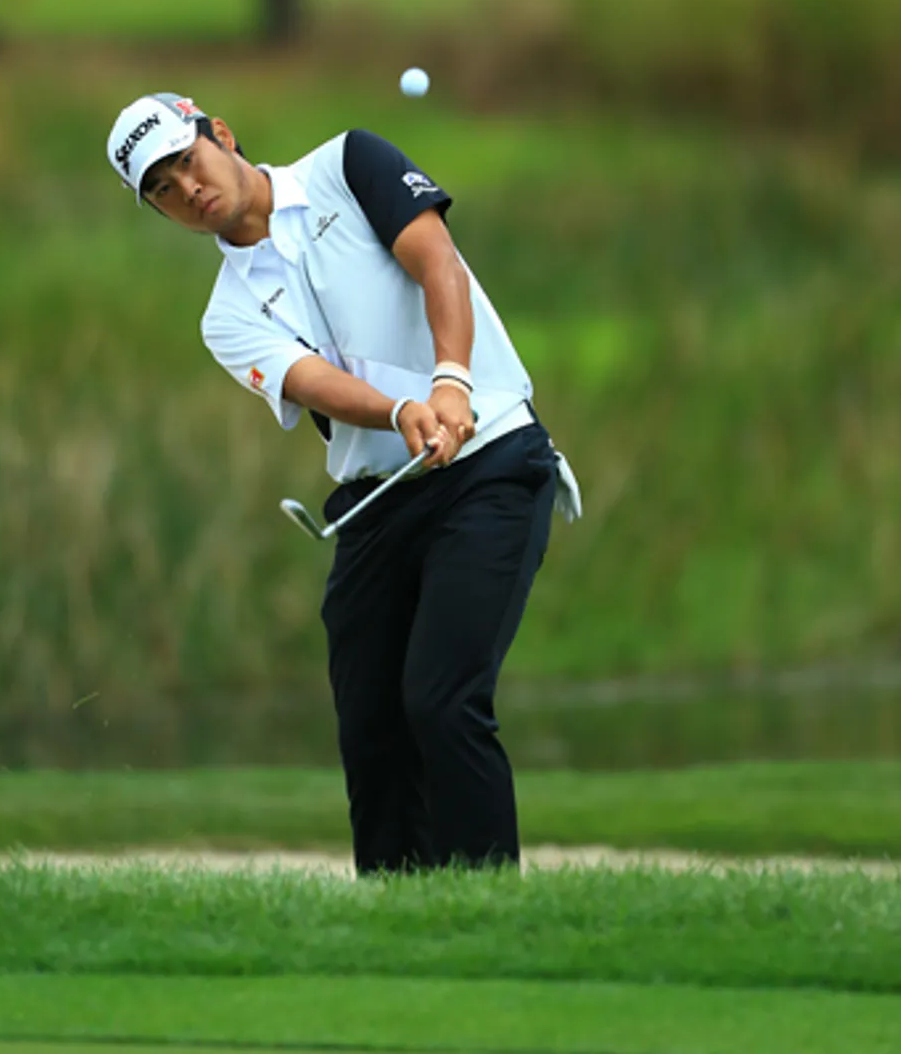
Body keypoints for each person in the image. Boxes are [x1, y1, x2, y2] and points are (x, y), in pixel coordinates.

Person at [106, 91, 581, 875]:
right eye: (161, 188)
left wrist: (451, 381)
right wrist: (399, 410)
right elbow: (310, 381)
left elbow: (437, 263)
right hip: (377, 499)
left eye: (187, 161)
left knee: (441, 698)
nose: (187, 189)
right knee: (370, 724)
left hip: (491, 458)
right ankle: (394, 912)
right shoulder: (225, 316)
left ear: (220, 134)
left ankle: (489, 903)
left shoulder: (350, 164)